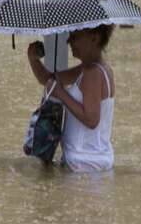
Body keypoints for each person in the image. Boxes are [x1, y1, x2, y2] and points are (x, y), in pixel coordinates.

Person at [27, 26, 115, 172]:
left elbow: (91, 119)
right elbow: (48, 80)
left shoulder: (93, 73)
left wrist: (62, 94)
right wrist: (34, 59)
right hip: (89, 160)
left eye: (75, 36)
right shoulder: (91, 69)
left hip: (85, 162)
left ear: (94, 38)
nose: (68, 41)